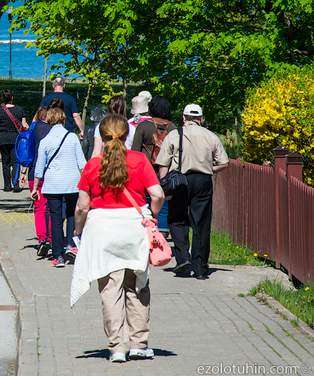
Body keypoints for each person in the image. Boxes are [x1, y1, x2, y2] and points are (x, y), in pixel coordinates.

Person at [71, 114, 165, 363]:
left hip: (103, 232)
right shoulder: (139, 159)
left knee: (110, 291)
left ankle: (117, 348)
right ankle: (139, 343)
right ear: (127, 135)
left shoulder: (93, 164)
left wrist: (78, 231)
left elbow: (82, 206)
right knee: (137, 287)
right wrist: (151, 215)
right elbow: (157, 195)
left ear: (101, 136)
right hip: (134, 230)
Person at [155, 104, 229, 280]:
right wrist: (207, 169)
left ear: (183, 118)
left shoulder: (174, 135)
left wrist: (165, 188)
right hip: (203, 181)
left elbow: (163, 164)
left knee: (177, 219)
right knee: (201, 223)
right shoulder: (211, 136)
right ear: (201, 118)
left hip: (180, 181)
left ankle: (182, 259)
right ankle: (201, 268)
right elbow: (224, 163)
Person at [31, 108, 87, 267]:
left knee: (55, 219)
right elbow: (82, 163)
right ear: (63, 120)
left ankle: (57, 256)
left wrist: (35, 188)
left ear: (49, 121)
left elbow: (39, 168)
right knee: (72, 215)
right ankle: (71, 245)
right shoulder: (72, 138)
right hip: (72, 184)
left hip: (52, 186)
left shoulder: (45, 141)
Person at [131, 95, 176, 234]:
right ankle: (161, 237)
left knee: (145, 205)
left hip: (145, 173)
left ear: (151, 109)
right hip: (167, 173)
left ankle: (147, 235)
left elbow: (135, 151)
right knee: (163, 207)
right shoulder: (173, 128)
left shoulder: (144, 126)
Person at [22, 106, 52, 256]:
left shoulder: (33, 128)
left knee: (39, 208)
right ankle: (53, 238)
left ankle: (42, 239)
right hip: (52, 174)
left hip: (34, 173)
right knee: (53, 208)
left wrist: (22, 172)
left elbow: (26, 150)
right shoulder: (54, 130)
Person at [0, 89, 29, 191]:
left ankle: (7, 186)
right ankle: (15, 183)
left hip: (3, 139)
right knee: (15, 161)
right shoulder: (19, 110)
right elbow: (24, 125)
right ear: (12, 98)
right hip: (16, 139)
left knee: (5, 163)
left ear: (2, 98)